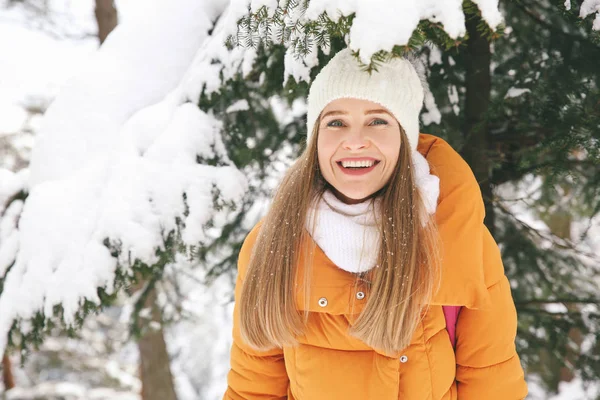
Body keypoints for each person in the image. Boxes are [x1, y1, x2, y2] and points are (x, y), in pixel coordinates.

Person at [223, 48, 528, 400]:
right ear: (315, 139)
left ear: (405, 137)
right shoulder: (273, 243)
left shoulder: (454, 237)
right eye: (335, 122)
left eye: (378, 121)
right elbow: (253, 389)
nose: (354, 141)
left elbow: (491, 383)